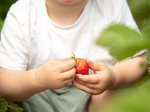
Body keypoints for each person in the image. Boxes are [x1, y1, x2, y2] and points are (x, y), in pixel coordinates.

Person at [0, 0, 148, 112]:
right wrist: (37, 79)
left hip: (97, 94)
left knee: (108, 98)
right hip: (39, 98)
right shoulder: (23, 13)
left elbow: (139, 61)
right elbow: (5, 81)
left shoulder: (112, 5)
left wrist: (114, 76)